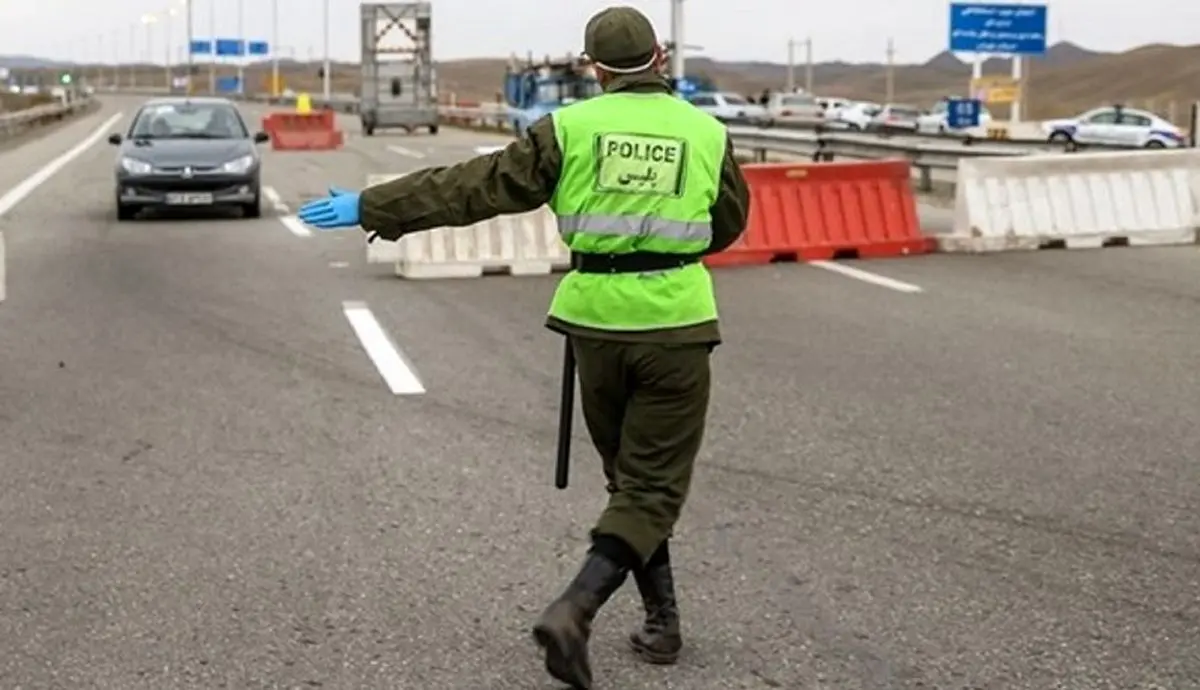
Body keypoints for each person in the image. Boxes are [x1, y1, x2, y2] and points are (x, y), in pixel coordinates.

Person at [297, 5, 749, 688]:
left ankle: (663, 626)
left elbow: (474, 188)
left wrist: (373, 206)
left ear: (595, 69)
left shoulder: (567, 128)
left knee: (631, 482)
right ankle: (575, 610)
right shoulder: (706, 132)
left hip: (595, 324)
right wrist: (666, 243)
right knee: (652, 487)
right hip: (676, 324)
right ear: (660, 57)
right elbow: (727, 224)